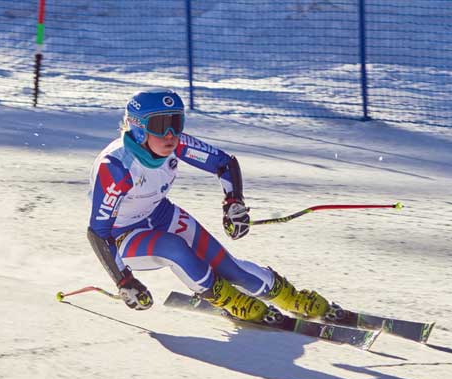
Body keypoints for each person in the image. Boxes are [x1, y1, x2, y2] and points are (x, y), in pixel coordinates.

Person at [87, 89, 339, 323]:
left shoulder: (177, 144)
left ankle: (289, 296)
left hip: (162, 214)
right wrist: (124, 280)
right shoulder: (117, 168)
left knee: (230, 268)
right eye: (161, 125)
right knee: (175, 248)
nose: (171, 135)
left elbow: (224, 164)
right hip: (123, 237)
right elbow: (98, 233)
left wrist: (233, 203)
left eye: (176, 123)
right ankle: (227, 299)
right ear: (139, 128)